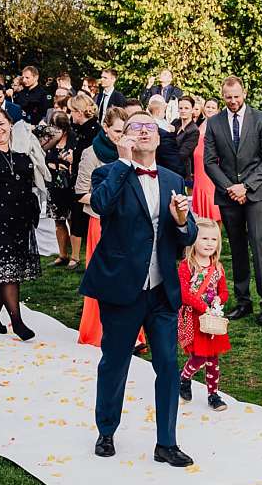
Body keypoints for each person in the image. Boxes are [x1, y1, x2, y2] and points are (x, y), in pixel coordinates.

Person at [82, 107, 197, 463]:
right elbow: (100, 206)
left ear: (159, 136)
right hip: (122, 287)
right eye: (135, 127)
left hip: (161, 290)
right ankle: (106, 431)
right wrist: (123, 161)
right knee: (115, 362)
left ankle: (166, 443)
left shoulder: (173, 179)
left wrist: (181, 222)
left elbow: (188, 233)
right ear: (124, 136)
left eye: (150, 126)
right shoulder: (107, 173)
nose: (144, 131)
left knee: (166, 364)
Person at [203, 75, 262, 324]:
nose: (233, 101)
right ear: (222, 96)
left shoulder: (261, 119)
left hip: (255, 194)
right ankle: (243, 301)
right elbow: (209, 162)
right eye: (228, 97)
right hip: (228, 195)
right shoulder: (213, 123)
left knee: (259, 246)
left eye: (236, 96)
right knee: (236, 249)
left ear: (244, 93)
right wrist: (230, 188)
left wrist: (246, 186)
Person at [0, 106, 41, 339]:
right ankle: (17, 322)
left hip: (19, 219)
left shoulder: (21, 153)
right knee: (6, 268)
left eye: (1, 124)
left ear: (10, 125)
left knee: (2, 271)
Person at [75, 106, 136, 349]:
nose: (121, 136)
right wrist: (107, 198)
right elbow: (80, 193)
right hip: (101, 221)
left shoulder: (134, 151)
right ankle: (99, 332)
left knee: (130, 276)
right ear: (106, 128)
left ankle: (133, 333)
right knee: (105, 278)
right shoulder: (92, 154)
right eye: (117, 131)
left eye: (125, 131)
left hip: (129, 222)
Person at [178, 218, 230, 407]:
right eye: (204, 238)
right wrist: (203, 307)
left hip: (212, 320)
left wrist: (219, 299)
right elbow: (184, 294)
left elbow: (223, 291)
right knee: (200, 355)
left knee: (213, 357)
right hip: (194, 317)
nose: (209, 243)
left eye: (213, 239)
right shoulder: (187, 266)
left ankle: (213, 394)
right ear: (193, 240)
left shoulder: (217, 267)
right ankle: (184, 377)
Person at [66, 93, 100, 267]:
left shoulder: (93, 131)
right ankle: (77, 256)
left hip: (88, 181)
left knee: (81, 216)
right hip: (80, 176)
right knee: (77, 216)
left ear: (79, 112)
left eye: (72, 111)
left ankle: (78, 257)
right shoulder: (82, 130)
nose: (71, 115)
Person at [39, 111, 75, 266]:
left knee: (72, 219)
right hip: (54, 183)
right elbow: (42, 156)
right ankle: (62, 254)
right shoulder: (49, 140)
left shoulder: (74, 139)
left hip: (71, 183)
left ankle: (74, 255)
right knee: (58, 220)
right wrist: (52, 164)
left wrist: (69, 163)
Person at [190, 99, 221, 222]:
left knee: (211, 198)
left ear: (218, 110)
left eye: (213, 107)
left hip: (210, 166)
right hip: (198, 168)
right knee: (201, 195)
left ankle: (216, 235)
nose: (210, 109)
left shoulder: (219, 125)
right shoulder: (200, 123)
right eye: (208, 106)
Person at [174, 96, 199, 188]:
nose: (183, 111)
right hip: (170, 166)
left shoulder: (194, 130)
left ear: (192, 110)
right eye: (180, 108)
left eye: (186, 108)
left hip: (183, 171)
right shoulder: (175, 123)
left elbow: (183, 153)